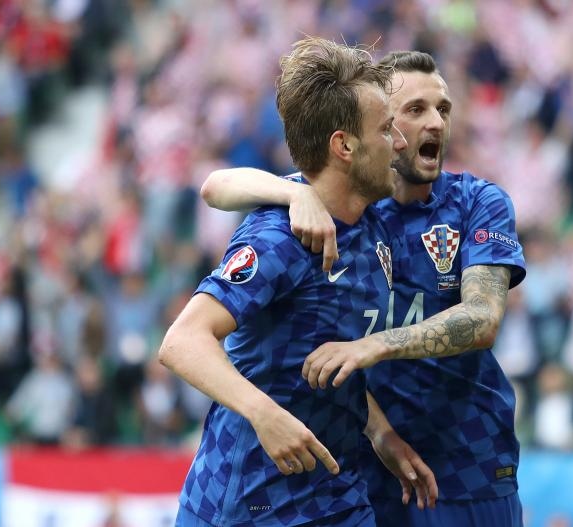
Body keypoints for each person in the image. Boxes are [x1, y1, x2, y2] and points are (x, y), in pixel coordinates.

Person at [201, 51, 527, 526]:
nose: (435, 123)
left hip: (466, 461)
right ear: (376, 127)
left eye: (443, 109)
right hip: (365, 462)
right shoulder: (353, 206)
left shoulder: (477, 203)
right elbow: (216, 185)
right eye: (414, 110)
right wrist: (294, 192)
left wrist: (371, 347)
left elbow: (482, 319)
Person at [159, 38, 436, 527]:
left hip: (337, 497)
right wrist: (263, 414)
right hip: (248, 505)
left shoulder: (370, 223)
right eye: (385, 128)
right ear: (344, 146)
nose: (398, 142)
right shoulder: (280, 239)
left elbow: (331, 360)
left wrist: (379, 432)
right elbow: (182, 341)